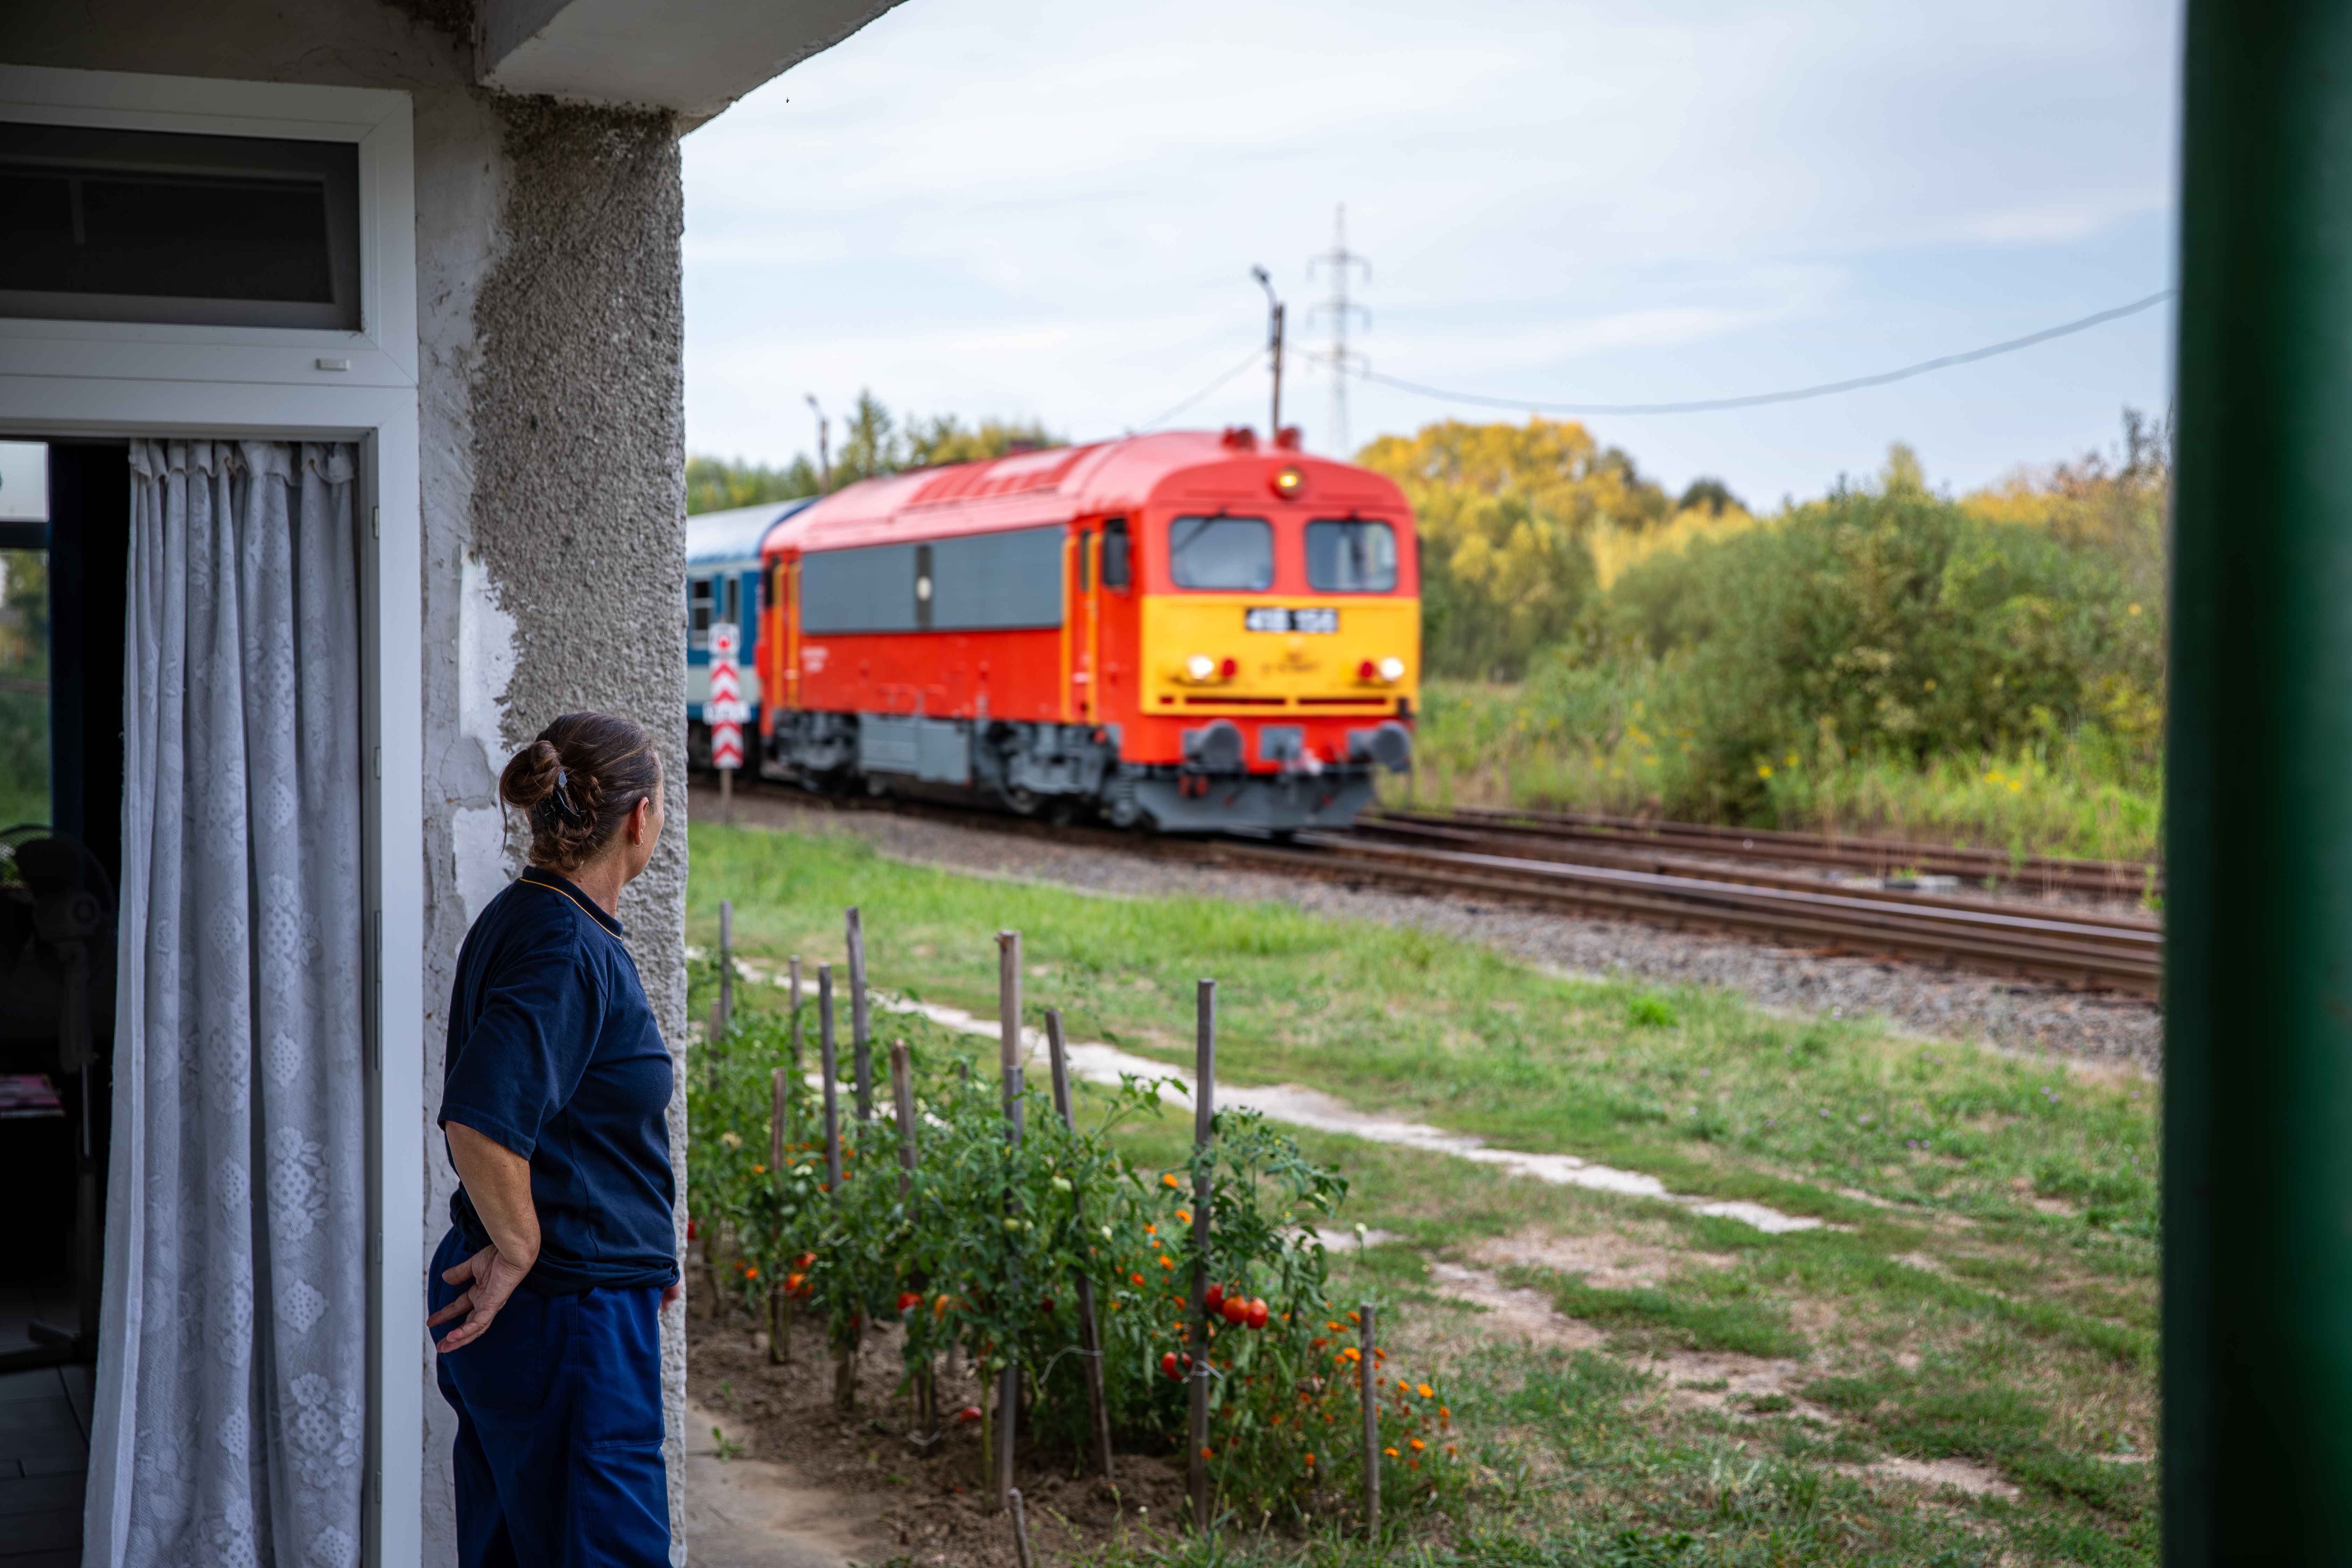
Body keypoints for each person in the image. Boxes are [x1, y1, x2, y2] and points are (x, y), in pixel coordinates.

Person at [428, 712, 681, 1567]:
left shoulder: (537, 917)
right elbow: (481, 1118)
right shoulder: (564, 944)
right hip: (571, 1323)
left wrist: (643, 1254)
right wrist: (523, 1243)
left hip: (573, 1313)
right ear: (640, 817)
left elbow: (572, 1128)